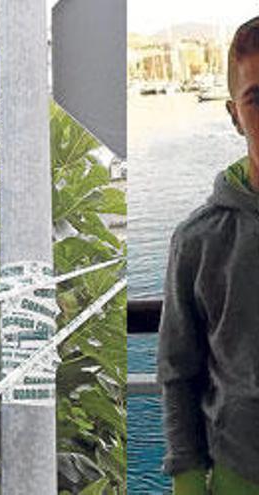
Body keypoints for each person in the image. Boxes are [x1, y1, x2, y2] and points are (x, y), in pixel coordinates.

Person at [159, 15, 259, 495]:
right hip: (237, 473)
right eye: (257, 98)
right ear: (234, 113)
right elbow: (178, 370)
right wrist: (187, 478)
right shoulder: (198, 241)